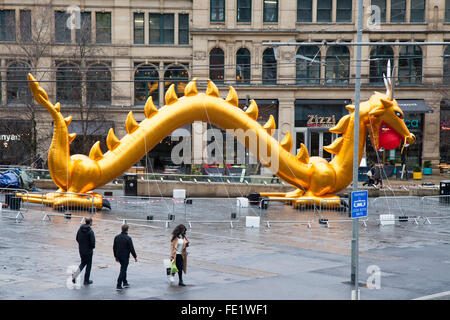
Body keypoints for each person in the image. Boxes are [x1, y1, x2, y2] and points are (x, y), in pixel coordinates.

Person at [113, 224, 137, 291]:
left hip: (119, 256)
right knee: (123, 270)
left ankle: (125, 282)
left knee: (123, 268)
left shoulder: (116, 237)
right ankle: (118, 285)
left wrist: (115, 256)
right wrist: (135, 257)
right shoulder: (128, 238)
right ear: (127, 230)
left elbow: (114, 248)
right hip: (125, 257)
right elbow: (132, 248)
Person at [72, 217, 95, 285]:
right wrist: (91, 248)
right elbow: (93, 242)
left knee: (83, 263)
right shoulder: (90, 231)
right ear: (90, 222)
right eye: (92, 222)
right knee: (88, 265)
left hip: (81, 249)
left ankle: (75, 276)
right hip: (88, 251)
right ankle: (86, 280)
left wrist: (81, 244)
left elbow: (77, 238)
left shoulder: (80, 229)